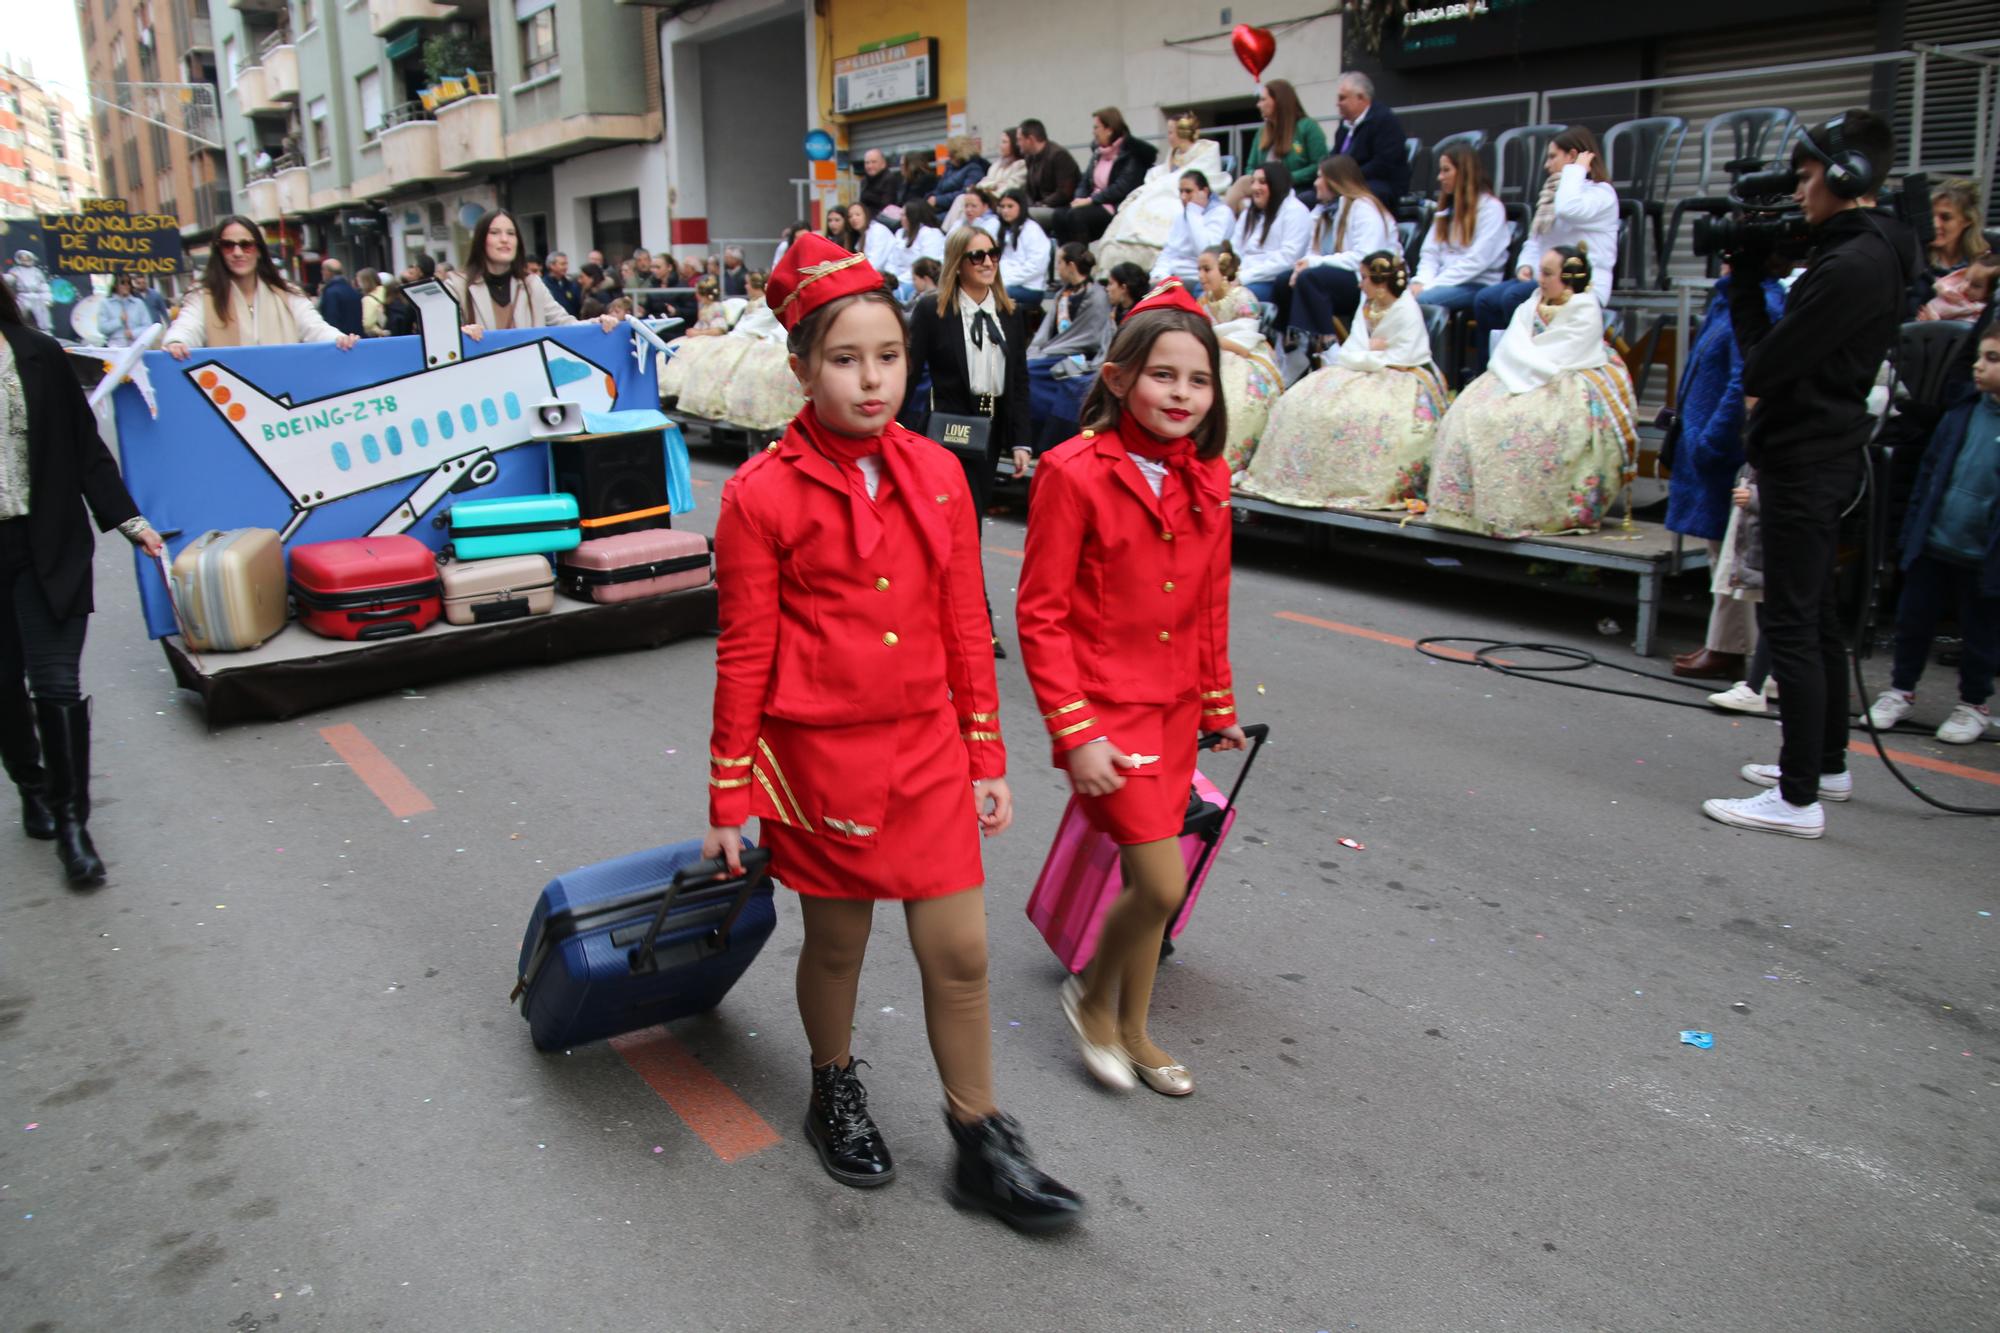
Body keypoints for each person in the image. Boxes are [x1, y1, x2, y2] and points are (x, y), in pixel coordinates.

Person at [701, 231, 1083, 1231]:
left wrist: (986, 755)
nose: (870, 380)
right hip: (818, 761)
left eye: (886, 357)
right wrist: (727, 794)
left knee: (958, 951)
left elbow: (967, 625)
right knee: (836, 945)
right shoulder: (759, 495)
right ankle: (833, 1086)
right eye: (843, 359)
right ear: (799, 367)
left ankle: (980, 1138)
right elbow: (743, 653)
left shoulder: (939, 473)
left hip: (923, 751)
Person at [1015, 276, 1247, 1099]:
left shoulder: (1209, 479)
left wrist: (1218, 703)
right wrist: (1076, 731)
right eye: (1163, 375)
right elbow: (1040, 616)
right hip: (1106, 714)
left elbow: (1209, 601)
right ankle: (1088, 998)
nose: (1181, 394)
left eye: (1198, 379)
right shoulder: (1072, 473)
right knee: (1158, 881)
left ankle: (1136, 1027)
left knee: (1152, 890)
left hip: (1176, 708)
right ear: (1118, 379)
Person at [1700, 111, 1913, 839]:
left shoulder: (1851, 265)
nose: (1800, 192)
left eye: (1806, 176)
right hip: (1822, 449)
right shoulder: (1870, 247)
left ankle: (1796, 799)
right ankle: (1825, 766)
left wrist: (1744, 288)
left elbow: (1765, 366)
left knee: (1791, 618)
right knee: (1815, 615)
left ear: (1845, 176)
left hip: (1806, 455)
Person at [0, 276, 166, 886]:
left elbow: (84, 448)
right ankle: (31, 781)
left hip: (46, 541)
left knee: (54, 682)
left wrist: (131, 522)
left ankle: (74, 825)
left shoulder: (37, 353)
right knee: (3, 687)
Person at [1428, 245, 1636, 538]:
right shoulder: (1531, 304)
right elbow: (1513, 343)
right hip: (1520, 370)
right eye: (1541, 272)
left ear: (1570, 277)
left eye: (1548, 274)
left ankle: (1530, 511)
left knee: (1538, 427)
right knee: (1470, 412)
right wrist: (1522, 364)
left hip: (1564, 376)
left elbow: (1567, 350)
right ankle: (1471, 508)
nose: (1541, 279)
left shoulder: (1585, 308)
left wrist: (1529, 362)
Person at [1861, 326, 2000, 745]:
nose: (1978, 365)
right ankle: (1900, 690)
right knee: (1912, 621)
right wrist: (1912, 531)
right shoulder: (1962, 412)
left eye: (1993, 358)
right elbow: (1929, 473)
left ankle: (1973, 702)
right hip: (1936, 541)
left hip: (1984, 553)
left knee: (1980, 633)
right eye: (1980, 356)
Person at [1239, 250, 1446, 508]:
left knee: (1378, 418)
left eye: (1365, 278)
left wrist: (1373, 354)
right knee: (1304, 401)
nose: (1360, 284)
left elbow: (1405, 356)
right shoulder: (1368, 305)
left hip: (1400, 375)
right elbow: (1354, 347)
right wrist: (1370, 353)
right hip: (1361, 368)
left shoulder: (1405, 309)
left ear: (1381, 284)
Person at [1664, 267, 1788, 681]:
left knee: (1735, 548)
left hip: (1723, 442)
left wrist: (1713, 437)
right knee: (1722, 546)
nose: (1724, 263)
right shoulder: (1728, 300)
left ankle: (1730, 647)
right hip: (1707, 438)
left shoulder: (1760, 304)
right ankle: (1725, 642)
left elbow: (1744, 378)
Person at [903, 226, 1032, 520]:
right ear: (957, 263)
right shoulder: (932, 309)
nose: (988, 262)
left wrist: (1020, 440)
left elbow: (1019, 381)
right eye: (977, 256)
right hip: (947, 426)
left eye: (993, 254)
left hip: (991, 429)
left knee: (973, 514)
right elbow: (908, 372)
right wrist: (889, 428)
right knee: (947, 514)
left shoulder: (1010, 312)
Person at [1467, 129, 1619, 378]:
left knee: (1513, 298)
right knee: (1485, 300)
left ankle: (1522, 370)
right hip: (1546, 280)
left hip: (1580, 286)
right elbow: (1536, 240)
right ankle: (1491, 372)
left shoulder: (1601, 194)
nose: (1547, 165)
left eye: (1552, 157)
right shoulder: (1553, 195)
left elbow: (1569, 209)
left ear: (1572, 156)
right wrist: (1525, 266)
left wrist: (1576, 171)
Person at [165, 217, 356, 356]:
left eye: (246, 244)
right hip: (227, 403)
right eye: (228, 245)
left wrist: (339, 339)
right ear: (219, 251)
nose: (237, 252)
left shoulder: (288, 294)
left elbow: (315, 329)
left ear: (258, 250)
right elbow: (187, 326)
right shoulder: (203, 296)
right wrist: (176, 342)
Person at [1284, 154, 1398, 367]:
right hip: (1342, 277)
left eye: (1320, 177)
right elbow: (1313, 252)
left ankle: (1329, 346)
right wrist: (1302, 266)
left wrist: (1313, 264)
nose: (1315, 183)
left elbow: (1366, 259)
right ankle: (1292, 348)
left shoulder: (1364, 208)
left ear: (1335, 181)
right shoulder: (1322, 212)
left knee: (1312, 278)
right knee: (1285, 280)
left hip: (1371, 281)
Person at [447, 210, 619, 339]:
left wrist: (596, 323)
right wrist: (461, 335)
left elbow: (566, 325)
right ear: (480, 239)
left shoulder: (532, 284)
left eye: (511, 233)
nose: (504, 239)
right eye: (494, 233)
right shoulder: (457, 286)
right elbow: (441, 342)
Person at [1100, 112, 1231, 277]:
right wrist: (1159, 182)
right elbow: (1164, 174)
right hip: (1167, 192)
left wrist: (1166, 184)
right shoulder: (1174, 154)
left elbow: (1196, 177)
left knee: (1166, 210)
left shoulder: (1205, 152)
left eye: (1170, 132)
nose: (1168, 137)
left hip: (1175, 197)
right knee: (1131, 211)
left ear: (1182, 133)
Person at [1197, 246, 1285, 472]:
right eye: (1199, 269)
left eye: (1207, 269)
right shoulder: (1202, 301)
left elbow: (1246, 336)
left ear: (1224, 270)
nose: (1201, 276)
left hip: (1242, 353)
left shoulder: (1243, 298)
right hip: (1210, 350)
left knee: (1234, 394)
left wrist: (1214, 340)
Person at [1408, 145, 1511, 325]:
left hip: (1476, 284)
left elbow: (1476, 261)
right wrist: (1420, 281)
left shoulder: (1491, 208)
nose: (1440, 177)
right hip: (1442, 281)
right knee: (1394, 299)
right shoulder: (1447, 210)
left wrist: (1429, 287)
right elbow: (1430, 254)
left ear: (1464, 172)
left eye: (1446, 170)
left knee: (1421, 301)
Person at [1026, 244, 1115, 452]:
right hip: (1054, 351)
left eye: (1059, 262)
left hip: (1081, 355)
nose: (1057, 268)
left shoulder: (1096, 295)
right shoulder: (1062, 294)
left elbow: (1090, 335)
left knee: (1031, 373)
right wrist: (1039, 350)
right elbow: (1047, 330)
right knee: (1024, 370)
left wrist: (1051, 350)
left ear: (1071, 265)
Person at [1049, 107, 1159, 248]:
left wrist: (1090, 200)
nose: (1093, 132)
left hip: (1114, 206)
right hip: (1093, 203)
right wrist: (1079, 198)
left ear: (1109, 130)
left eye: (1096, 127)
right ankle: (1066, 260)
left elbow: (1122, 188)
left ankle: (1081, 263)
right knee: (1059, 215)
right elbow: (1085, 181)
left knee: (1076, 216)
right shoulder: (1098, 153)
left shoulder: (1131, 154)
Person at [1227, 80, 1327, 209]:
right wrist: (1262, 179)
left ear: (1278, 101)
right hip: (1264, 188)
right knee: (1243, 184)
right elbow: (1250, 167)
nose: (1258, 105)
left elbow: (1319, 166)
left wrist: (1285, 178)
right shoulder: (1261, 132)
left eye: (1263, 100)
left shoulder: (1307, 127)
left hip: (1294, 189)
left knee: (1243, 197)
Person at [1227, 162, 1313, 302]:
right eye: (1253, 182)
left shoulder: (1295, 211)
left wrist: (1244, 277)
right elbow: (1235, 248)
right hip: (1242, 277)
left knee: (1234, 299)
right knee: (1202, 289)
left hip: (1270, 281)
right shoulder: (1249, 212)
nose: (1255, 187)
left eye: (1262, 182)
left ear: (1276, 184)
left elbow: (1287, 259)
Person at [1328, 71, 1411, 211]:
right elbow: (1334, 155)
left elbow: (1383, 164)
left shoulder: (1384, 120)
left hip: (1378, 185)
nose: (1338, 104)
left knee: (1355, 199)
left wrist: (1347, 179)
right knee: (1308, 198)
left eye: (1342, 98)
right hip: (1347, 184)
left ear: (1360, 98)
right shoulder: (1344, 127)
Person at [1148, 169, 1234, 289]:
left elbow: (1204, 251)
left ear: (1204, 191)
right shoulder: (1181, 216)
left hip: (1198, 279)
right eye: (1181, 191)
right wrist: (1159, 275)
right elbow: (1169, 251)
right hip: (1172, 276)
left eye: (1188, 191)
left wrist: (1194, 211)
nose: (1183, 197)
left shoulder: (1222, 213)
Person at [944, 128, 1027, 232]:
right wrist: (994, 185)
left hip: (1001, 202)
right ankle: (950, 234)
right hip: (986, 199)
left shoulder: (1021, 165)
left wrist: (989, 187)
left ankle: (955, 234)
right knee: (963, 199)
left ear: (1014, 144)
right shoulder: (997, 164)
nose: (1000, 145)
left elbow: (1009, 187)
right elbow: (983, 183)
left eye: (1004, 142)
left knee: (966, 201)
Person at [1019, 119, 1083, 228]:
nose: (1018, 144)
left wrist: (1042, 204)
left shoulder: (1058, 155)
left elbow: (1064, 193)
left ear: (1030, 139)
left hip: (1061, 208)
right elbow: (1029, 190)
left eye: (1020, 140)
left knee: (1025, 217)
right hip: (1040, 206)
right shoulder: (1030, 158)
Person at [996, 190, 1054, 306]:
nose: (1005, 211)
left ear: (1021, 207)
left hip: (1029, 287)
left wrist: (1005, 281)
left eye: (1010, 206)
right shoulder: (1002, 230)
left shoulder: (1032, 230)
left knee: (991, 294)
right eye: (1002, 207)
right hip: (1006, 282)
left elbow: (1036, 267)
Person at [1927, 178, 1990, 281]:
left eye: (1946, 217)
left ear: (1967, 220)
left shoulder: (1987, 259)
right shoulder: (1916, 258)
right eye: (1930, 216)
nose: (1935, 224)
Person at [884, 201, 947, 297]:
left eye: (904, 215)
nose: (901, 218)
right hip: (897, 279)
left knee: (892, 297)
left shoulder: (930, 234)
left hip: (917, 280)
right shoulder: (899, 233)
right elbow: (891, 260)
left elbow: (926, 265)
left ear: (913, 217)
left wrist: (901, 280)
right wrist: (891, 279)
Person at [1920, 250, 1997, 323]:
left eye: (1976, 286)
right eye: (1966, 279)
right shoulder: (1949, 292)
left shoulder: (1984, 314)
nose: (1966, 287)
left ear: (1990, 292)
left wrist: (1936, 323)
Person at [930, 136, 991, 217]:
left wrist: (938, 200)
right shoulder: (950, 168)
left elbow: (965, 192)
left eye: (951, 154)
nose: (949, 157)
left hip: (958, 210)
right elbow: (939, 188)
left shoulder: (974, 169)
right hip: (941, 208)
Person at [95, 275, 150, 348]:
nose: (126, 286)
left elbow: (148, 326)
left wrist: (133, 333)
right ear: (115, 285)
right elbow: (102, 328)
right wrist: (119, 321)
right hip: (114, 347)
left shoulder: (138, 303)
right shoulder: (106, 304)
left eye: (129, 283)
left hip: (136, 346)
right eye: (123, 283)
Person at [848, 202, 898, 278]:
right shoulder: (860, 237)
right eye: (850, 216)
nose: (854, 218)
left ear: (866, 215)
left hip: (891, 275)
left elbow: (875, 263)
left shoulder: (877, 230)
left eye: (858, 215)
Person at [317, 258, 364, 337]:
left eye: (323, 270)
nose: (321, 272)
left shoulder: (331, 293)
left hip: (340, 341)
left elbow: (331, 318)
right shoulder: (353, 290)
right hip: (356, 337)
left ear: (328, 272)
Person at [856, 148, 901, 217]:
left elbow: (887, 207)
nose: (870, 166)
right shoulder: (864, 180)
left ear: (883, 164)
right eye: (867, 163)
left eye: (874, 162)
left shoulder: (889, 179)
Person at [543, 251, 583, 316]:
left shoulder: (571, 284)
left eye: (566, 264)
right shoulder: (544, 285)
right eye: (562, 264)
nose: (566, 267)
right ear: (552, 266)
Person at [356, 268, 387, 337]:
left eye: (359, 281)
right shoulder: (385, 291)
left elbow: (367, 323)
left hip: (379, 335)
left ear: (365, 282)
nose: (358, 285)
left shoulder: (367, 299)